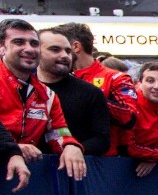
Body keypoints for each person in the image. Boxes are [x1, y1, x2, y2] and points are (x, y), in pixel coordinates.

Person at [0, 19, 86, 183]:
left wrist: (71, 146)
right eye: (18, 42)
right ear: (0, 48)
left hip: (21, 183)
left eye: (34, 43)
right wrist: (11, 149)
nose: (29, 49)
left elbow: (59, 135)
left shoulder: (47, 95)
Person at [56, 22, 140, 155]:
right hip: (61, 155)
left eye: (61, 48)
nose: (59, 54)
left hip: (102, 161)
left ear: (75, 46)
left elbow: (129, 117)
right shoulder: (57, 77)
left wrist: (91, 97)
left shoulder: (116, 78)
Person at [38, 28, 111, 158]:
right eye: (55, 49)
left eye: (68, 51)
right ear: (36, 51)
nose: (65, 56)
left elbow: (102, 140)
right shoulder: (22, 88)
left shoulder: (91, 93)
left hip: (75, 171)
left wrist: (76, 148)